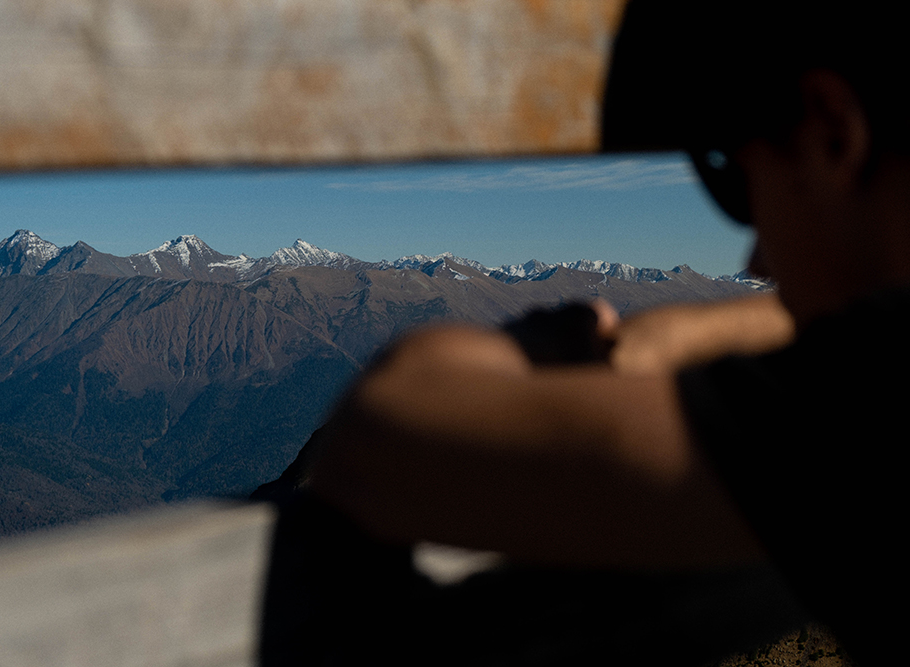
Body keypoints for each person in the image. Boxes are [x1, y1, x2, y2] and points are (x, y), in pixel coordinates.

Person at [298, 1, 906, 664]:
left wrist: (547, 342)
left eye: (739, 183)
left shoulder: (873, 396)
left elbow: (381, 442)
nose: (754, 259)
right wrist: (690, 331)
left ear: (831, 133)